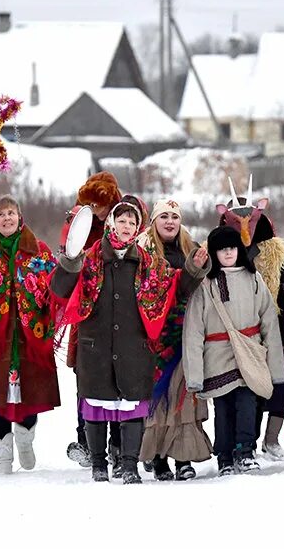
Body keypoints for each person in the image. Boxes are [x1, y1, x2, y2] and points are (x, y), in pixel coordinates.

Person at [51, 199, 208, 484]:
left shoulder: (149, 264)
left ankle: (129, 464)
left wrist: (194, 269)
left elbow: (176, 288)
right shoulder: (89, 258)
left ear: (139, 228)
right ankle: (98, 464)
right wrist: (70, 260)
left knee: (132, 407)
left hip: (134, 349)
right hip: (95, 347)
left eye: (132, 222)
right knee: (96, 408)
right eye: (121, 220)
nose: (126, 226)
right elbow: (59, 288)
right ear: (112, 223)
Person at [0, 195, 60, 474]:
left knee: (29, 392)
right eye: (1, 214)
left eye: (11, 213)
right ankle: (2, 458)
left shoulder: (38, 251)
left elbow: (54, 287)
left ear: (20, 217)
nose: (7, 218)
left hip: (30, 335)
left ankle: (26, 439)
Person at [183, 225, 284, 476]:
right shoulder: (206, 284)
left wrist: (276, 369)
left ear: (239, 249)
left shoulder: (253, 279)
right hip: (217, 354)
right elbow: (194, 329)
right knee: (224, 407)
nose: (228, 252)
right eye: (221, 249)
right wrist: (194, 375)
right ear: (214, 253)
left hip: (249, 352)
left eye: (232, 247)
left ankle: (246, 451)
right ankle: (225, 456)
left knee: (248, 403)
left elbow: (269, 322)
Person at [136, 199, 213, 481]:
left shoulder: (190, 249)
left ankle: (182, 457)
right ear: (154, 221)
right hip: (154, 336)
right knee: (158, 399)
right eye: (164, 216)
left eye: (175, 217)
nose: (170, 222)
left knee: (184, 396)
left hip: (186, 333)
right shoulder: (142, 250)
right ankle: (157, 458)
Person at [59, 171, 123, 468]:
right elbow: (69, 259)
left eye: (99, 205)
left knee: (119, 379)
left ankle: (117, 441)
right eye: (90, 205)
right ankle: (85, 439)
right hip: (86, 313)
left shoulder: (125, 223)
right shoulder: (80, 225)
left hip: (118, 314)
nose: (95, 211)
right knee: (86, 378)